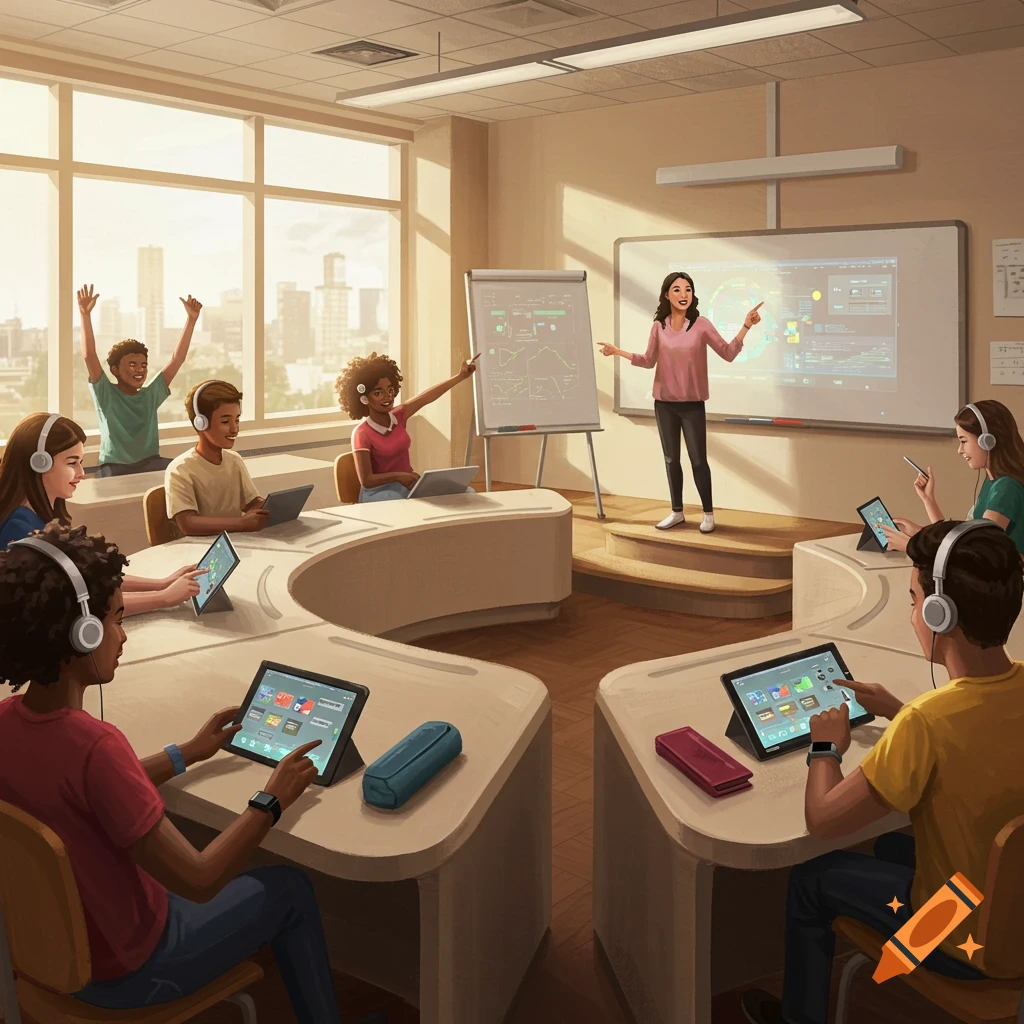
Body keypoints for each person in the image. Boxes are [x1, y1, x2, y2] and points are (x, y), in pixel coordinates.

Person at [0, 522, 384, 1024]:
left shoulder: (8, 723)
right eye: (115, 621)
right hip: (132, 971)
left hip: (46, 958)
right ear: (82, 634)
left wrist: (188, 753)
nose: (121, 636)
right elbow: (201, 880)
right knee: (290, 888)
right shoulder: (95, 747)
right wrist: (271, 800)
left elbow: (93, 790)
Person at [741, 519, 1024, 1024]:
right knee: (892, 845)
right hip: (1016, 922)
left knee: (811, 878)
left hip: (963, 942)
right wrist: (900, 709)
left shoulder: (925, 724)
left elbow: (823, 820)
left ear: (942, 615)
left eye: (915, 601)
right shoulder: (983, 697)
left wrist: (826, 747)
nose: (914, 614)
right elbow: (971, 734)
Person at [597, 272, 762, 533]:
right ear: (666, 295)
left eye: (688, 289)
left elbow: (728, 354)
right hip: (664, 404)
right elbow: (648, 360)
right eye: (677, 290)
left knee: (698, 460)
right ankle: (677, 512)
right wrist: (617, 352)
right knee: (671, 459)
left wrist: (746, 326)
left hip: (692, 404)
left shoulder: (701, 325)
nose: (683, 294)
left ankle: (708, 514)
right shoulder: (658, 327)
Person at [0, 412, 203, 614]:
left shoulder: (37, 517)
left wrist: (161, 584)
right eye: (72, 463)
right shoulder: (20, 531)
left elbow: (87, 578)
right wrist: (164, 598)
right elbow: (75, 604)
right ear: (39, 463)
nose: (81, 472)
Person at [79, 283, 202, 478]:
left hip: (151, 462)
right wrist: (85, 316)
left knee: (186, 473)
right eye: (132, 365)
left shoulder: (150, 394)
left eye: (143, 365)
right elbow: (89, 355)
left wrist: (191, 320)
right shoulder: (106, 393)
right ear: (115, 370)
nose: (140, 370)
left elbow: (177, 359)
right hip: (114, 466)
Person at [882, 400, 1024, 556]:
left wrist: (910, 545)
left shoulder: (1006, 488)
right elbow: (962, 540)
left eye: (963, 441)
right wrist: (924, 516)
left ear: (988, 441)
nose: (959, 450)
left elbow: (976, 552)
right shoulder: (994, 482)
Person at [336, 351, 478, 502]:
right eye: (378, 393)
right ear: (364, 399)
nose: (388, 397)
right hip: (379, 492)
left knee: (466, 492)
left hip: (407, 486)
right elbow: (367, 480)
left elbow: (427, 397)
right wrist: (399, 476)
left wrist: (460, 376)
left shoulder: (399, 416)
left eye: (390, 390)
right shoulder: (361, 433)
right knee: (407, 505)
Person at [165, 380, 269, 536]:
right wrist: (241, 523)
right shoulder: (180, 469)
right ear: (201, 423)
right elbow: (187, 523)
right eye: (226, 421)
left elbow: (252, 503)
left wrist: (274, 507)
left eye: (237, 420)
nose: (234, 429)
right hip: (199, 550)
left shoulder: (234, 460)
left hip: (238, 543)